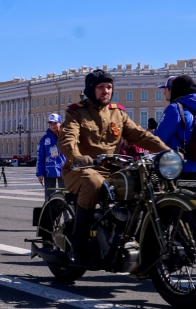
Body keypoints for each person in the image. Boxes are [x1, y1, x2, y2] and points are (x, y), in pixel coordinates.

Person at [61, 70, 169, 258]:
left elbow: (140, 135)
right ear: (91, 89)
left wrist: (167, 151)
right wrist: (77, 157)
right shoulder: (76, 112)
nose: (106, 91)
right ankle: (79, 240)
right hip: (81, 169)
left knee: (145, 181)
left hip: (113, 170)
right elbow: (67, 139)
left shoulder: (117, 113)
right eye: (101, 87)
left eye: (109, 87)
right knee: (93, 183)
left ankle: (135, 236)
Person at [154, 75, 196, 180]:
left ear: (173, 89)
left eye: (166, 89)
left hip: (175, 166)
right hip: (195, 166)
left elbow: (158, 138)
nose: (164, 93)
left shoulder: (174, 109)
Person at [36, 113, 66, 201]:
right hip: (49, 171)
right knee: (49, 197)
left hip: (64, 171)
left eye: (55, 123)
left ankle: (67, 210)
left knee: (66, 195)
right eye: (51, 123)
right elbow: (40, 157)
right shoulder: (45, 139)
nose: (53, 126)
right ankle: (50, 210)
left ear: (60, 123)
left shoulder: (66, 137)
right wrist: (40, 173)